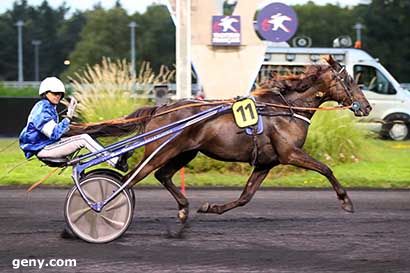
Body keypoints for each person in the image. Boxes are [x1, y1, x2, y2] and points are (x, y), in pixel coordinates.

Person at [19, 77, 128, 172]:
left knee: (84, 136)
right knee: (84, 139)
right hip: (44, 149)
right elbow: (54, 134)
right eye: (55, 93)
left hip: (47, 145)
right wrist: (69, 116)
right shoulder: (42, 109)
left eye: (60, 94)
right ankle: (115, 161)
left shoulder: (47, 107)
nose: (58, 96)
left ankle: (113, 156)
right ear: (45, 93)